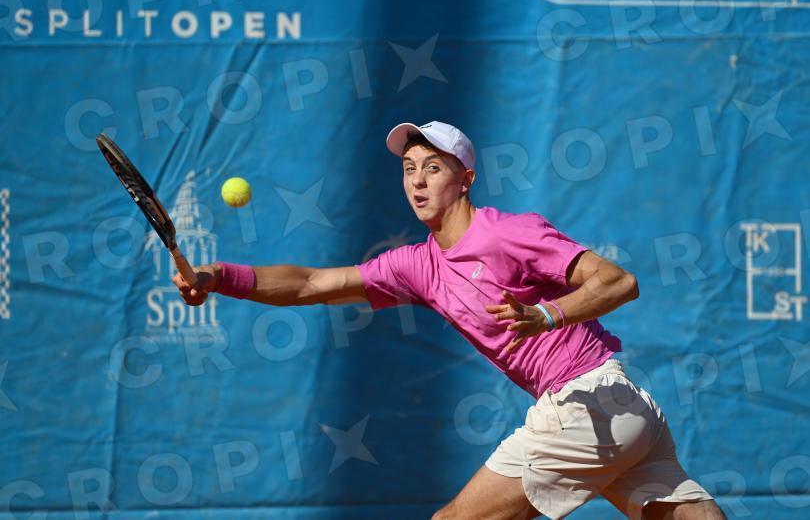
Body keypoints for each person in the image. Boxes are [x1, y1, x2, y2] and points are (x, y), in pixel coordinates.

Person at [172, 121, 726, 520]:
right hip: (626, 411)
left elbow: (619, 281)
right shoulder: (416, 265)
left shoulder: (508, 232)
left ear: (465, 179)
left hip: (586, 402)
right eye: (409, 169)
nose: (417, 181)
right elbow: (314, 284)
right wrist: (218, 276)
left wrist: (545, 314)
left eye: (433, 168)